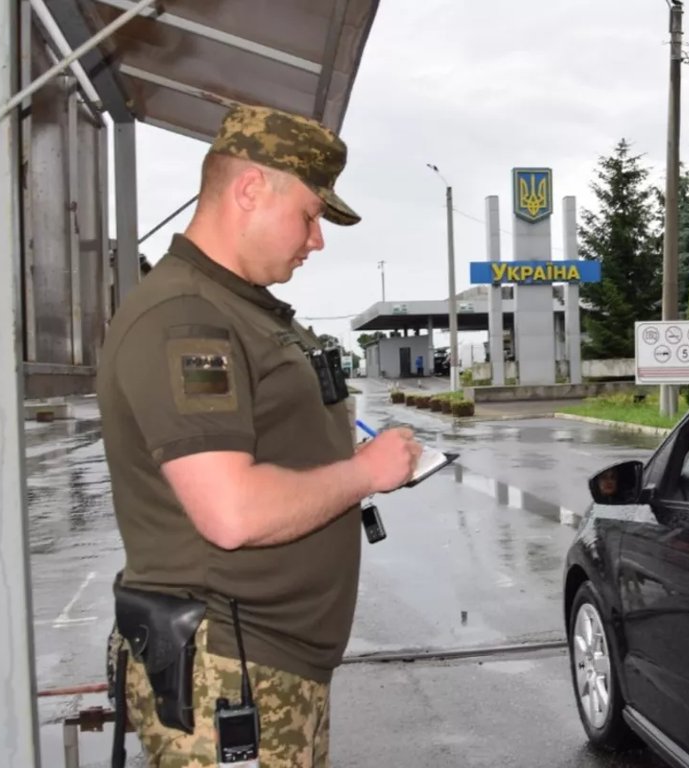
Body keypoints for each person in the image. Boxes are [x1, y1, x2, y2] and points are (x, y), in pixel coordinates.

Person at [96, 102, 423, 766]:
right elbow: (231, 510)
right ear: (250, 190)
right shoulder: (186, 319)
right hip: (231, 671)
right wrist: (367, 472)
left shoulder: (235, 308)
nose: (316, 240)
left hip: (265, 663)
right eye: (309, 215)